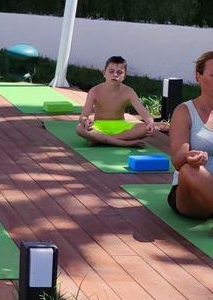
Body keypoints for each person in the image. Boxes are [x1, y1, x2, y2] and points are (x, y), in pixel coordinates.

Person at [167, 51, 213, 219]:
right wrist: (189, 157)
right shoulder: (184, 111)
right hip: (191, 194)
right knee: (189, 170)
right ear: (198, 76)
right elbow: (178, 161)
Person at [75, 56, 156, 147]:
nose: (115, 75)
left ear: (124, 76)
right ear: (104, 73)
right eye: (111, 71)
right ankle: (121, 142)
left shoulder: (128, 91)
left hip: (121, 126)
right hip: (99, 126)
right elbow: (83, 116)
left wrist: (150, 123)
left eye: (119, 72)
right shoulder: (95, 91)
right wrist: (85, 121)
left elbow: (143, 112)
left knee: (146, 128)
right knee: (79, 128)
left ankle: (101, 139)